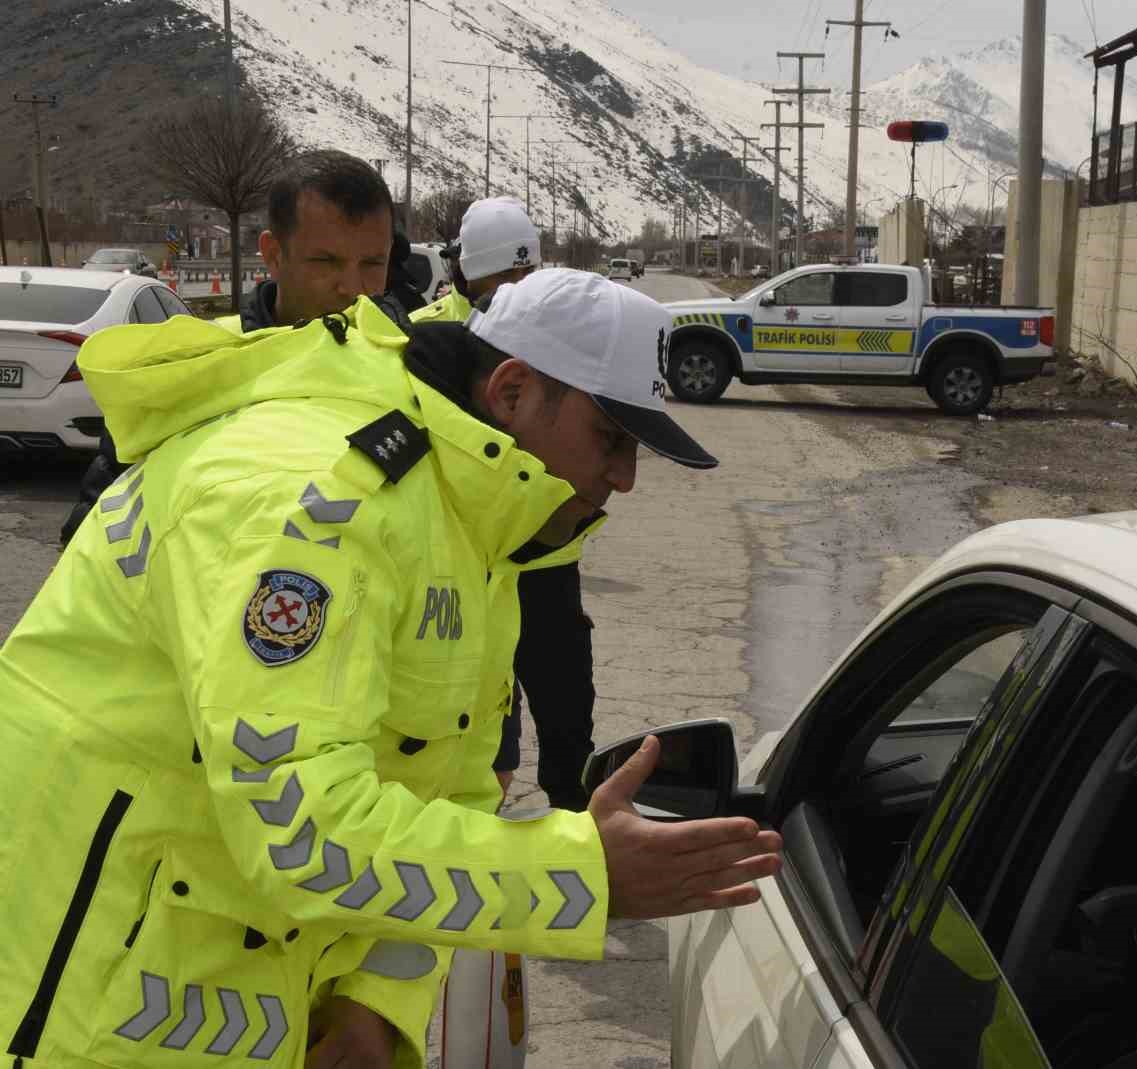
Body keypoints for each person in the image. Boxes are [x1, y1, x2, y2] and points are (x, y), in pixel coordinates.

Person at [0, 267, 781, 1069]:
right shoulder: (316, 511)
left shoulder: (469, 518)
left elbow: (448, 786)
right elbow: (300, 825)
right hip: (68, 1011)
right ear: (511, 392)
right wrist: (581, 873)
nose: (626, 477)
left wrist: (376, 999)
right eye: (612, 437)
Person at [61, 150, 404, 545]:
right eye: (326, 262)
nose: (353, 288)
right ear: (273, 254)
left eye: (372, 264)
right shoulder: (192, 368)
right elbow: (92, 534)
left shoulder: (412, 374)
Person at [409, 196, 596, 811]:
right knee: (483, 721)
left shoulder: (561, 333)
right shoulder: (426, 338)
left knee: (566, 712)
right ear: (466, 276)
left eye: (523, 275)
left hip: (545, 559)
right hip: (466, 562)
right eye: (500, 279)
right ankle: (480, 816)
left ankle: (573, 815)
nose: (512, 290)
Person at [411, 195, 540, 326]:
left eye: (529, 272)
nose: (520, 286)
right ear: (469, 273)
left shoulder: (543, 326)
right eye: (504, 274)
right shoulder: (418, 330)